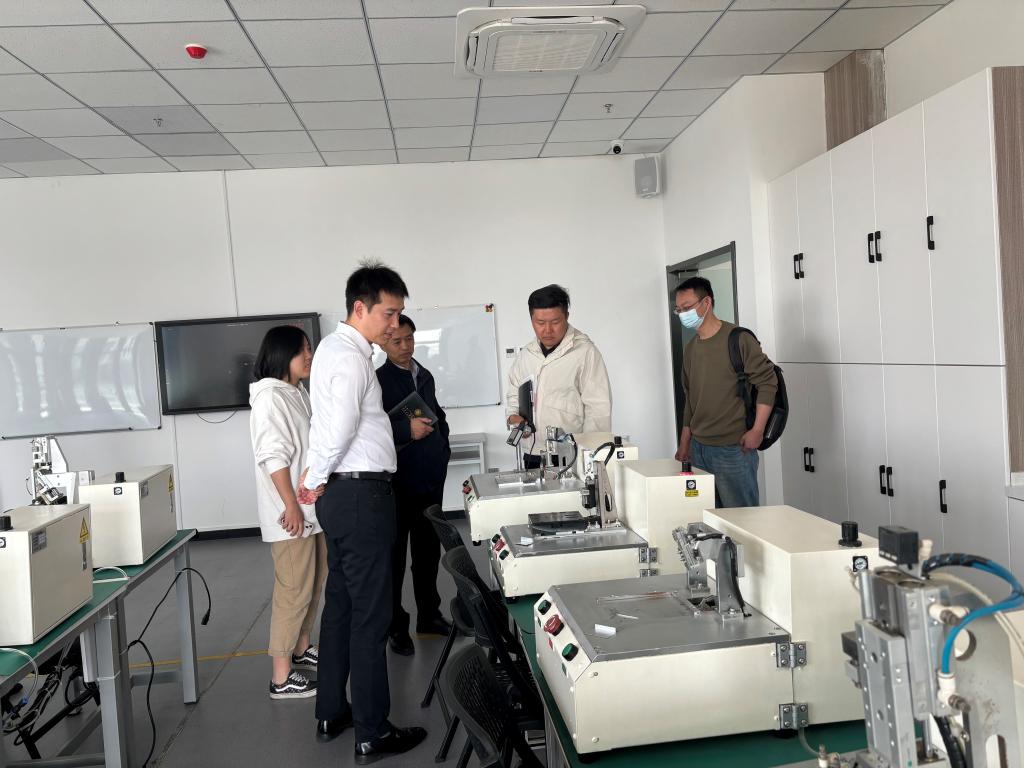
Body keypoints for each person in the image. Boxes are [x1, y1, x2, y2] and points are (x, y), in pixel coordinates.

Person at [298, 262, 427, 763]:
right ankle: (372, 731)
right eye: (388, 313)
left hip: (343, 496)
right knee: (372, 616)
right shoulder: (351, 359)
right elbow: (340, 428)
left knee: (342, 608)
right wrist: (314, 478)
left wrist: (318, 479)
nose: (394, 324)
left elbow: (326, 427)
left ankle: (332, 710)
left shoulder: (333, 351)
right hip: (360, 497)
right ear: (359, 307)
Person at [249, 325, 326, 700]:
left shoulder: (296, 391)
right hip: (291, 514)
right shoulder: (269, 398)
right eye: (302, 350)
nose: (309, 355)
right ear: (282, 355)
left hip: (310, 508)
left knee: (313, 583)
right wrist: (291, 506)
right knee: (293, 590)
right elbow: (273, 457)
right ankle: (280, 678)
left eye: (309, 348)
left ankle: (301, 647)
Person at [376, 315, 452, 657]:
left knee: (428, 553)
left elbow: (438, 416)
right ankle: (396, 626)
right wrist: (406, 431)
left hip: (429, 479)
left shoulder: (425, 375)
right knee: (394, 559)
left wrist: (443, 449)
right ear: (383, 343)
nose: (405, 347)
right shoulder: (377, 381)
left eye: (409, 339)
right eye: (397, 341)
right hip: (397, 483)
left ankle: (429, 615)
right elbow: (371, 430)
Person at [674, 276, 777, 508]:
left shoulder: (739, 339)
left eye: (687, 307)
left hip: (734, 449)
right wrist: (685, 442)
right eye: (678, 310)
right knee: (708, 520)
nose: (682, 314)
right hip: (698, 450)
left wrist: (758, 430)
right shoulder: (690, 349)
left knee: (742, 521)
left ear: (707, 302)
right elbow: (690, 398)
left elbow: (767, 383)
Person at [506, 284, 612, 468]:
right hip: (533, 452)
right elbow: (514, 396)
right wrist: (513, 417)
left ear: (567, 316)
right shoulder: (526, 355)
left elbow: (598, 409)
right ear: (531, 319)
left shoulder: (584, 352)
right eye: (540, 323)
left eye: (555, 322)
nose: (547, 330)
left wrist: (589, 455)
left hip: (570, 454)